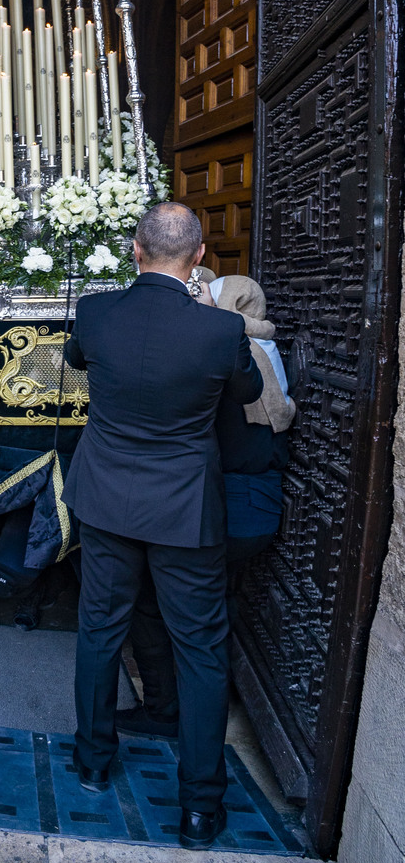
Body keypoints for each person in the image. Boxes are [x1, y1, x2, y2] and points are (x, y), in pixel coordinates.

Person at [64, 202, 263, 850]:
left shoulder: (96, 312)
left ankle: (93, 762)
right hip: (183, 508)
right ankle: (200, 808)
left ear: (134, 250)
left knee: (100, 628)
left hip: (107, 500)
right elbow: (247, 390)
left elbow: (78, 359)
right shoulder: (219, 332)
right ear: (200, 256)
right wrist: (207, 313)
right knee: (201, 650)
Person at [118, 273, 295, 739]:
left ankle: (167, 712)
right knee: (208, 608)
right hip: (259, 506)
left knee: (156, 604)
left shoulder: (226, 357)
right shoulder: (269, 350)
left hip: (219, 507)